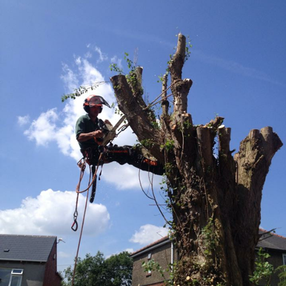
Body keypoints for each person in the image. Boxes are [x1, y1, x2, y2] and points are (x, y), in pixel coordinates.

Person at [75, 95, 164, 175]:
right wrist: (94, 134)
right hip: (92, 154)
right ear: (88, 108)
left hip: (101, 150)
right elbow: (79, 137)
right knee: (128, 153)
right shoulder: (83, 120)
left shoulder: (99, 123)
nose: (96, 110)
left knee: (130, 150)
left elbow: (104, 139)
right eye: (94, 107)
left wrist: (110, 134)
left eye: (98, 108)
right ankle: (158, 168)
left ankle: (154, 164)